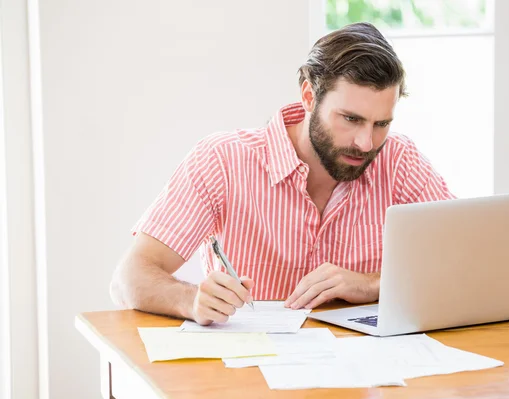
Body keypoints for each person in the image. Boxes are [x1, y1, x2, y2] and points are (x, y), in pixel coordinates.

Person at [109, 22, 455, 326]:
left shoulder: (399, 160)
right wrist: (191, 300)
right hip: (251, 374)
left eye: (381, 124)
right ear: (308, 96)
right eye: (350, 119)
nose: (366, 143)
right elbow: (128, 278)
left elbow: (464, 262)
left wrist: (371, 284)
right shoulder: (223, 160)